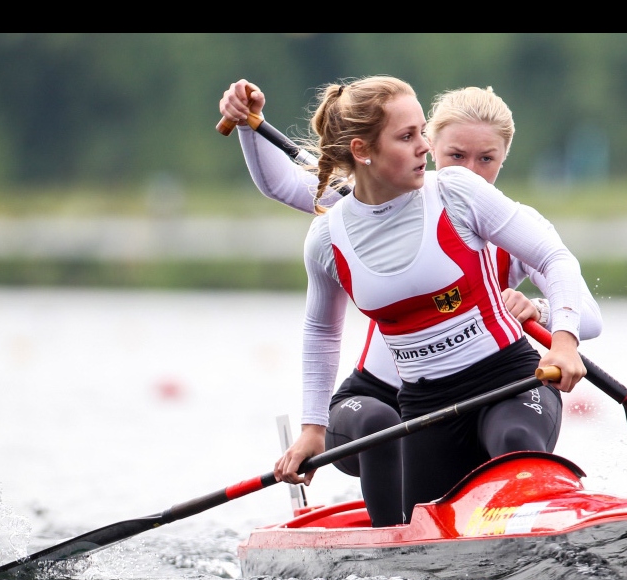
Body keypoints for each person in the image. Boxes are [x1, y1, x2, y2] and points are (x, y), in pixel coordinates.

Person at [220, 78, 596, 526]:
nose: (423, 148)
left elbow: (555, 257)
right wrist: (312, 430)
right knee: (418, 526)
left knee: (515, 440)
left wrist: (563, 336)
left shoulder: (458, 192)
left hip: (508, 382)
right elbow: (321, 331)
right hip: (423, 406)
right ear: (364, 151)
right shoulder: (327, 235)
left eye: (422, 133)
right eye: (410, 137)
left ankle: (543, 521)